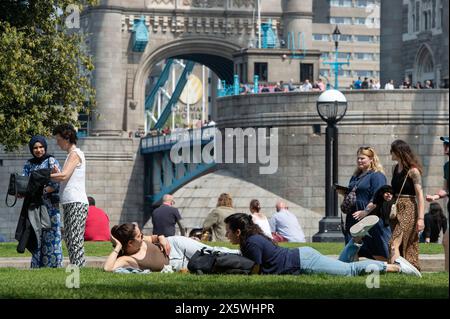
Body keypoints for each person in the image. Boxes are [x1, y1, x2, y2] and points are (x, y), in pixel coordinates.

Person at [224, 213, 421, 277]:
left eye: (228, 231)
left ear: (238, 231)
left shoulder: (250, 242)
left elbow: (255, 270)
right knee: (343, 267)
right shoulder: (253, 238)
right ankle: (355, 240)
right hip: (302, 257)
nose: (226, 234)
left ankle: (396, 267)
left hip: (303, 262)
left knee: (350, 271)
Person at [104, 223, 239, 272]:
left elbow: (156, 237)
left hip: (176, 245)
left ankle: (241, 253)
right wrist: (118, 247)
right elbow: (108, 268)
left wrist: (161, 238)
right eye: (139, 236)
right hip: (176, 263)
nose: (143, 236)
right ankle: (244, 262)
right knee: (212, 261)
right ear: (129, 244)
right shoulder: (127, 259)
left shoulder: (140, 239)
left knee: (212, 251)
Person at [19, 135, 63, 268]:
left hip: (50, 206)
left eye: (41, 147)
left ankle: (54, 265)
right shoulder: (29, 164)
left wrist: (40, 191)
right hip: (34, 206)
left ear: (45, 147)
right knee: (36, 234)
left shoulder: (51, 161)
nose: (38, 150)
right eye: (35, 148)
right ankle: (37, 264)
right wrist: (20, 192)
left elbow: (56, 184)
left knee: (52, 234)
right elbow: (23, 182)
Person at [341, 146, 390, 261]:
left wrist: (365, 212)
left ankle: (384, 268)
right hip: (354, 214)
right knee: (353, 244)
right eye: (358, 158)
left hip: (370, 215)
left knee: (375, 246)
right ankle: (354, 269)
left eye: (362, 158)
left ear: (371, 159)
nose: (359, 161)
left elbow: (378, 197)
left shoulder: (377, 176)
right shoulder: (355, 176)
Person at [50, 124, 89, 267]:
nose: (57, 142)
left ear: (67, 138)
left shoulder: (75, 154)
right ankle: (76, 268)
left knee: (74, 238)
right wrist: (55, 173)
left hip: (76, 202)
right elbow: (64, 175)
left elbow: (64, 175)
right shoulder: (70, 155)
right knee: (70, 238)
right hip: (70, 202)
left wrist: (45, 175)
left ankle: (79, 270)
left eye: (59, 139)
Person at [389, 139, 425, 270]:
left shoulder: (413, 171)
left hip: (409, 207)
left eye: (392, 151)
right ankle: (404, 269)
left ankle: (395, 269)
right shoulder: (394, 169)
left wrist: (421, 219)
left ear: (399, 152)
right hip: (396, 208)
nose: (390, 154)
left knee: (394, 242)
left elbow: (420, 195)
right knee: (400, 242)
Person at [426, 136, 449, 271]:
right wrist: (435, 196)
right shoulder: (447, 166)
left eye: (447, 144)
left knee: (447, 241)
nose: (445, 147)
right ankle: (447, 272)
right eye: (444, 144)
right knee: (446, 242)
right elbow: (446, 188)